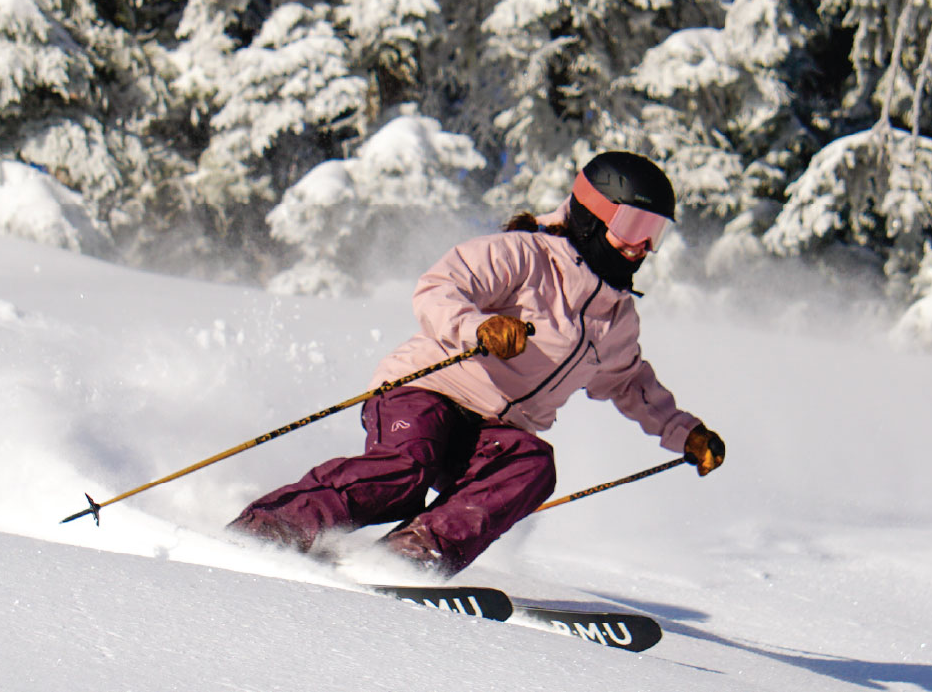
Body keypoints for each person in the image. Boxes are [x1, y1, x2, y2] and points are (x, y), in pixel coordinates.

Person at [227, 151, 725, 575]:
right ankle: (270, 528)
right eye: (634, 225)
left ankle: (412, 556)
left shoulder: (615, 317)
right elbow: (440, 287)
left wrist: (686, 433)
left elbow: (629, 384)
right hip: (428, 390)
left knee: (532, 463)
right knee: (404, 472)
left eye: (655, 232)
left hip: (494, 430)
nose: (643, 246)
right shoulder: (526, 256)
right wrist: (477, 327)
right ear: (594, 215)